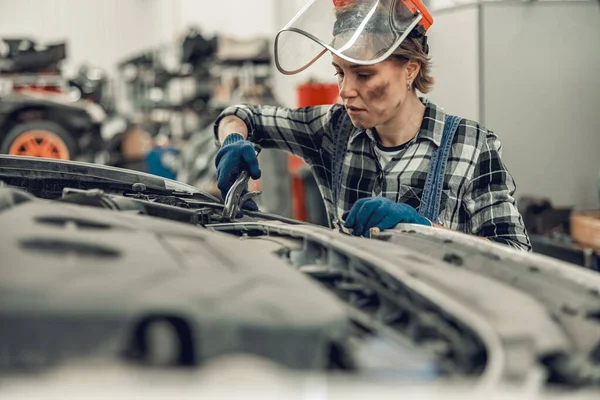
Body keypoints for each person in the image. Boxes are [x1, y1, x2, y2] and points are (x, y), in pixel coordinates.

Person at [213, 0, 531, 251]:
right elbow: (242, 115)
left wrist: (426, 232)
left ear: (410, 71)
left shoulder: (471, 146)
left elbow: (515, 255)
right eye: (340, 72)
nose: (345, 90)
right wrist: (232, 140)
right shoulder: (333, 130)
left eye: (363, 74)